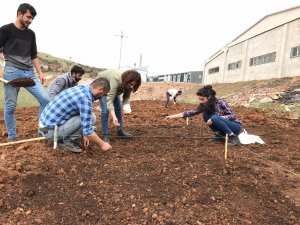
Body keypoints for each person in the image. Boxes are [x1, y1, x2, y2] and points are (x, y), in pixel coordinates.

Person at [0, 3, 50, 142]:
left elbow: (33, 55)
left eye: (32, 18)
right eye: (28, 17)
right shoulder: (5, 30)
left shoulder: (31, 34)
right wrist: (1, 67)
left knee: (46, 99)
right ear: (19, 14)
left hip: (29, 73)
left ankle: (42, 131)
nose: (30, 21)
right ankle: (12, 136)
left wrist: (39, 73)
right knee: (10, 106)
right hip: (11, 71)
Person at [39, 78, 112, 153]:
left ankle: (63, 137)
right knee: (91, 118)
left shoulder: (82, 88)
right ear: (101, 90)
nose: (103, 97)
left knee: (91, 116)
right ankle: (65, 141)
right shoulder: (85, 99)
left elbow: (81, 115)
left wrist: (85, 134)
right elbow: (87, 130)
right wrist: (102, 144)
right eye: (104, 94)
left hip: (43, 127)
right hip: (50, 133)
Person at [165, 85, 242, 146]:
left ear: (209, 97)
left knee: (214, 117)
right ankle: (220, 136)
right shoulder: (205, 105)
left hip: (235, 127)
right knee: (206, 115)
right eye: (200, 99)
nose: (201, 101)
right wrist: (172, 116)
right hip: (224, 125)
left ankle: (233, 137)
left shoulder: (221, 102)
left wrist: (218, 118)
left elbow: (233, 115)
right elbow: (191, 112)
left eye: (202, 99)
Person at [97, 69, 141, 143]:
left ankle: (120, 131)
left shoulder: (130, 85)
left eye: (134, 85)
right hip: (103, 86)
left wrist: (126, 106)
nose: (131, 87)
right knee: (105, 110)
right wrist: (114, 117)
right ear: (127, 80)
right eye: (131, 84)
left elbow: (126, 97)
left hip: (114, 89)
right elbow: (109, 99)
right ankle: (105, 135)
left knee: (118, 109)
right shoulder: (116, 79)